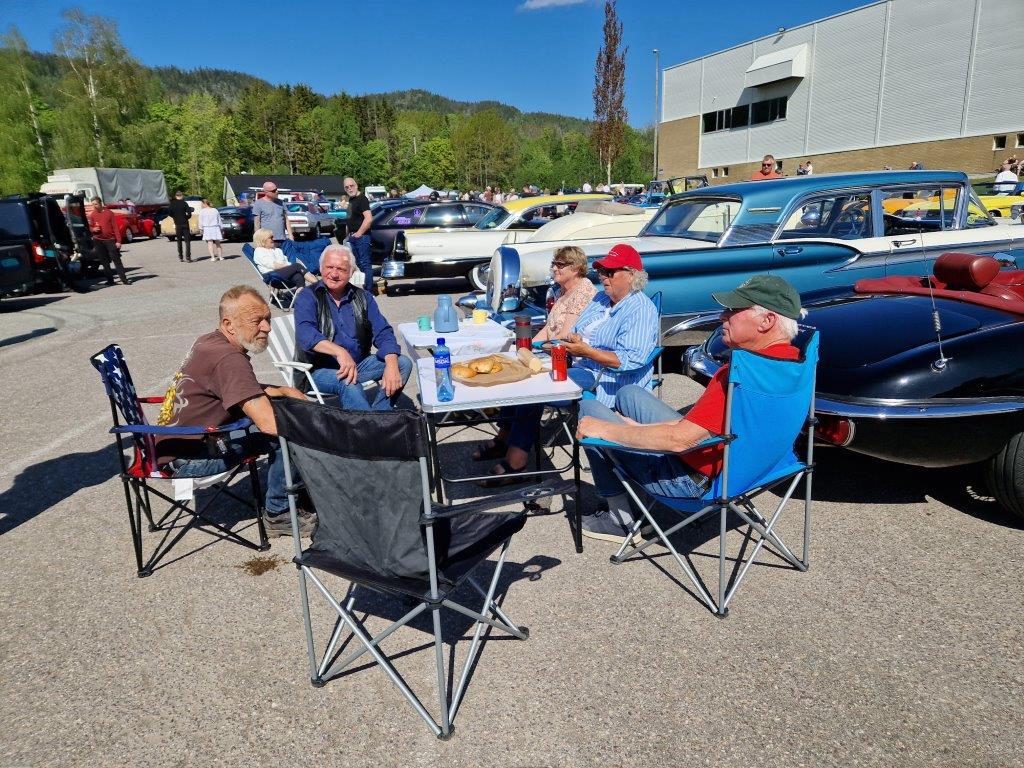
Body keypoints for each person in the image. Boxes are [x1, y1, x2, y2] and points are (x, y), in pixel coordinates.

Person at [575, 274, 804, 542]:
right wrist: (635, 429)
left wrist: (606, 430)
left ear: (767, 321)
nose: (723, 316)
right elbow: (700, 428)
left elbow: (680, 440)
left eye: (734, 310)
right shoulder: (792, 364)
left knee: (589, 411)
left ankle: (620, 521)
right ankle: (634, 498)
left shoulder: (739, 374)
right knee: (629, 394)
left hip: (694, 483)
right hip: (755, 469)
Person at [480, 243, 658, 485]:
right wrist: (574, 342)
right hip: (580, 363)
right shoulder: (601, 300)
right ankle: (506, 442)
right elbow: (574, 331)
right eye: (601, 271)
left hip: (606, 378)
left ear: (631, 275)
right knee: (522, 375)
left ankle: (516, 462)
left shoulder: (640, 309)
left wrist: (586, 350)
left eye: (610, 272)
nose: (603, 277)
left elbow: (630, 360)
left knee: (535, 388)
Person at [155, 285, 315, 537]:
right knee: (290, 437)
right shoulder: (229, 359)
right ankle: (280, 513)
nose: (267, 328)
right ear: (228, 324)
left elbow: (235, 386)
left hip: (172, 446)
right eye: (257, 321)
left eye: (267, 319)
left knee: (282, 416)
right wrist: (319, 429)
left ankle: (291, 492)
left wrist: (282, 390)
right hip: (189, 461)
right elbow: (268, 423)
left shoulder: (209, 341)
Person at [473, 246, 598, 474]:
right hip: (554, 352)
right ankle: (505, 438)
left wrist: (535, 348)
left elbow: (564, 336)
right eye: (554, 264)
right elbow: (550, 328)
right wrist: (525, 346)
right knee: (512, 369)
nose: (554, 268)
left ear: (576, 268)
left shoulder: (583, 292)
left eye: (560, 265)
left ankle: (516, 459)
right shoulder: (562, 291)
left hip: (568, 357)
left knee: (528, 386)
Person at [294, 244, 412, 411]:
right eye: (329, 267)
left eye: (341, 269)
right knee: (348, 381)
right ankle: (366, 425)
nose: (334, 274)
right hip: (318, 370)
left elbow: (383, 331)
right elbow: (306, 334)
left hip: (358, 364)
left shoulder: (363, 297)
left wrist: (391, 363)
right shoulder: (308, 296)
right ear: (320, 268)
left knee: (402, 363)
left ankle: (380, 415)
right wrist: (340, 352)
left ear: (351, 272)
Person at [251, 228, 317, 290]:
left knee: (298, 276)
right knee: (297, 266)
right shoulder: (259, 251)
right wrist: (292, 266)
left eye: (272, 237)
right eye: (270, 238)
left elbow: (285, 262)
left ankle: (301, 294)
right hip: (271, 276)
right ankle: (317, 283)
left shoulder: (277, 250)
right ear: (263, 240)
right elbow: (274, 265)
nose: (273, 239)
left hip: (282, 274)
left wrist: (291, 266)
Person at [86, 197, 130, 286]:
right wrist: (93, 229)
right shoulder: (93, 215)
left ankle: (124, 279)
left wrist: (118, 241)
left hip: (110, 240)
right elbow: (90, 227)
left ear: (100, 203)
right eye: (93, 204)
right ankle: (110, 280)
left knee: (116, 260)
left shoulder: (109, 213)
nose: (94, 206)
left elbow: (115, 227)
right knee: (104, 261)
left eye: (96, 204)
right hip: (98, 240)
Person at [340, 177, 373, 292]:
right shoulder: (351, 200)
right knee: (359, 264)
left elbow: (368, 219)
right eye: (347, 187)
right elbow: (350, 219)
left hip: (362, 237)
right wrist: (347, 237)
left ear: (356, 185)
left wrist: (359, 233)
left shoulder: (362, 199)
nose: (350, 188)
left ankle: (369, 292)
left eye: (351, 186)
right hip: (353, 237)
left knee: (365, 264)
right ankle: (366, 289)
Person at [167, 190, 194, 262]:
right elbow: (189, 213)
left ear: (176, 196)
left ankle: (180, 257)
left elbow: (169, 213)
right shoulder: (184, 203)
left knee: (179, 240)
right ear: (181, 196)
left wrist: (174, 217)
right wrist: (186, 217)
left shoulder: (172, 204)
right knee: (187, 241)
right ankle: (188, 257)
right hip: (185, 223)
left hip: (177, 224)